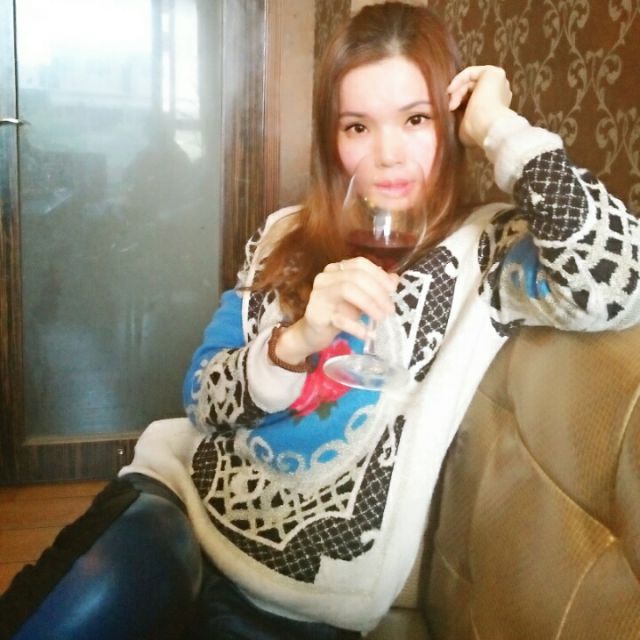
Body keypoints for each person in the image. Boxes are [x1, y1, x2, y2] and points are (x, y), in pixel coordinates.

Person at [2, 2, 639, 639]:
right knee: (76, 607)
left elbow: (618, 278)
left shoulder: (489, 252)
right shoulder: (286, 232)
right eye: (358, 126)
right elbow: (201, 399)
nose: (387, 155)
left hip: (296, 593)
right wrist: (296, 341)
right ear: (333, 140)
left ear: (451, 125)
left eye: (415, 119)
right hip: (178, 498)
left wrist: (500, 126)